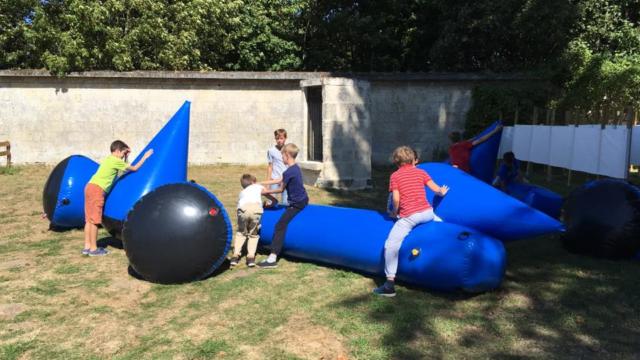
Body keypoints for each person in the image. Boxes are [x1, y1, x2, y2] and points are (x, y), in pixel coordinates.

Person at [374, 146, 449, 297]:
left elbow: (396, 198)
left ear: (396, 161)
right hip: (427, 213)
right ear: (413, 159)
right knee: (440, 223)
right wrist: (442, 191)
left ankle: (389, 285)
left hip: (410, 216)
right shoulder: (421, 172)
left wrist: (395, 212)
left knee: (391, 245)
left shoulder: (395, 176)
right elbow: (435, 189)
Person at [83, 141, 153, 256]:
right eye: (123, 153)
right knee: (95, 220)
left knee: (89, 220)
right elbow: (134, 168)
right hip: (97, 190)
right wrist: (145, 157)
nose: (123, 155)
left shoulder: (109, 159)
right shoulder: (116, 161)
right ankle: (94, 249)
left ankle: (87, 246)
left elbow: (123, 168)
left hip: (89, 186)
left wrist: (126, 155)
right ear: (117, 151)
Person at [258, 143, 309, 268]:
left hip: (296, 204)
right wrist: (261, 182)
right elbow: (280, 179)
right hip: (304, 199)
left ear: (287, 155)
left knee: (280, 225)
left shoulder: (289, 172)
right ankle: (273, 256)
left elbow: (280, 189)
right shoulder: (295, 168)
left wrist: (265, 192)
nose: (282, 158)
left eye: (282, 156)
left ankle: (272, 258)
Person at [230, 174, 277, 268]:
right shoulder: (258, 186)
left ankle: (235, 256)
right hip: (256, 210)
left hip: (242, 209)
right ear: (253, 182)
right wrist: (274, 201)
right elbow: (268, 194)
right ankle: (251, 258)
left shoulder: (242, 192)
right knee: (253, 234)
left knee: (241, 232)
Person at [267, 128, 288, 205]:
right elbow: (270, 167)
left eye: (281, 138)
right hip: (274, 179)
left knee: (285, 203)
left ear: (285, 138)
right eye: (277, 138)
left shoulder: (288, 150)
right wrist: (268, 183)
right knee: (272, 202)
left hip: (285, 180)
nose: (279, 140)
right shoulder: (271, 151)